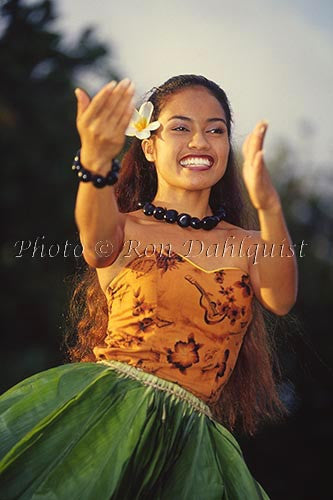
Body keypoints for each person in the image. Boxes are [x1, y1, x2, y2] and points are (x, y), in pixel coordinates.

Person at [0, 74, 298, 499]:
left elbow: (281, 298)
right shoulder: (127, 229)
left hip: (189, 452)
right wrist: (95, 161)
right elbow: (96, 243)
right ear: (149, 145)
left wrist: (268, 206)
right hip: (104, 421)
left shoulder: (248, 246)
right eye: (180, 127)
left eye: (215, 130)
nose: (199, 140)